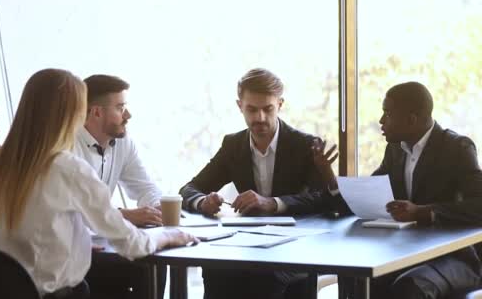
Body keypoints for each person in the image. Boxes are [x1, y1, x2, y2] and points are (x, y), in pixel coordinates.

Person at [0, 68, 196, 299]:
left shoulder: (0, 169)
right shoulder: (67, 167)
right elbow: (132, 245)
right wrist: (170, 235)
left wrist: (73, 244)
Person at [315, 81, 482, 298]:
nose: (381, 121)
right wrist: (329, 175)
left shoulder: (457, 148)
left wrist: (422, 211)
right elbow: (366, 195)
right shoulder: (395, 150)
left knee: (409, 287)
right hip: (405, 251)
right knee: (357, 277)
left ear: (411, 119)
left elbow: (478, 205)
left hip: (454, 258)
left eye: (387, 114)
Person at [179, 68, 336, 299]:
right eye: (252, 109)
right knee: (214, 268)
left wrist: (272, 203)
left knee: (262, 276)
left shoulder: (305, 145)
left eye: (267, 109)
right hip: (247, 245)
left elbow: (322, 199)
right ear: (239, 106)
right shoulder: (233, 145)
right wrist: (203, 202)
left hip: (296, 248)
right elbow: (188, 189)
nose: (260, 117)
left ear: (280, 105)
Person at [73, 74, 166, 299]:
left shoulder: (123, 142)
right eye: (120, 108)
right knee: (145, 262)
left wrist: (156, 208)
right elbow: (75, 213)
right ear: (96, 112)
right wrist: (125, 216)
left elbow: (146, 188)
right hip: (76, 253)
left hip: (103, 243)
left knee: (154, 263)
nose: (128, 115)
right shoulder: (68, 146)